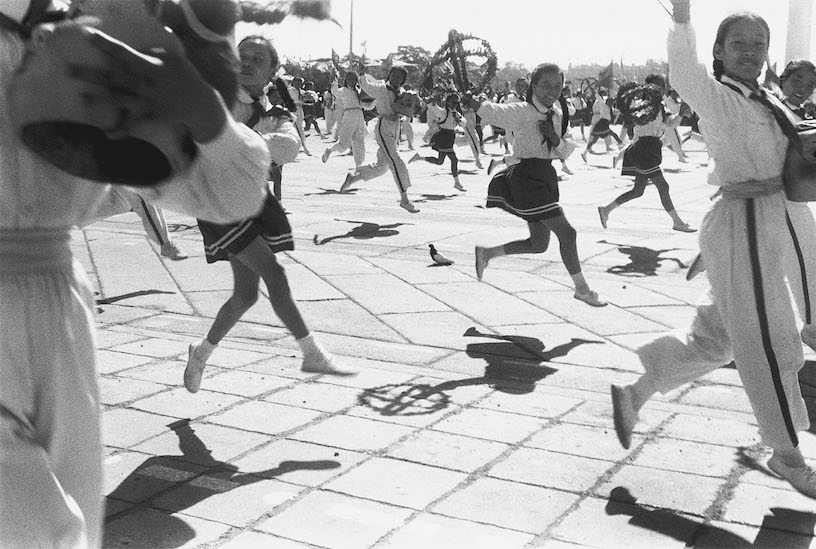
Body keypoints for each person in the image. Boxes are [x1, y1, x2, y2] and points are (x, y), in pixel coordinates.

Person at [0, 3, 272, 547]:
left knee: (74, 504)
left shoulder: (89, 31)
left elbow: (230, 193)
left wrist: (204, 115)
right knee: (38, 527)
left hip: (59, 304)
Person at [612, 0, 816, 500]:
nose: (751, 52)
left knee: (716, 339)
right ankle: (788, 455)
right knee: (772, 345)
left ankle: (634, 392)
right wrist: (682, 20)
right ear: (720, 52)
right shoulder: (718, 96)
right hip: (744, 223)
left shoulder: (765, 100)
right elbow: (684, 72)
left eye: (759, 44)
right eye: (739, 44)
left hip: (762, 224)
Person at [186, 36, 357, 395]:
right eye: (241, 56)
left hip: (247, 197)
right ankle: (311, 351)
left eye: (256, 59)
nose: (246, 63)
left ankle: (201, 352)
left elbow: (288, 145)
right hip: (218, 200)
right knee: (274, 274)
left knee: (246, 295)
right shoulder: (216, 96)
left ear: (271, 71)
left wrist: (258, 148)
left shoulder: (273, 109)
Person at [470, 63, 606, 307]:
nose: (551, 91)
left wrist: (554, 137)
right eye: (545, 85)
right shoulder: (523, 110)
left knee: (538, 244)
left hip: (546, 177)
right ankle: (582, 289)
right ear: (533, 85)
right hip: (528, 178)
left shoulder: (558, 113)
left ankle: (487, 253)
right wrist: (476, 104)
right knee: (568, 233)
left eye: (557, 85)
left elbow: (566, 150)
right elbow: (496, 112)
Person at [597, 79, 696, 233]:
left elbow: (670, 124)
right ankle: (677, 222)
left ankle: (606, 210)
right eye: (658, 87)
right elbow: (639, 120)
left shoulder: (659, 107)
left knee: (638, 191)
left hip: (650, 149)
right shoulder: (640, 107)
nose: (661, 91)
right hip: (643, 150)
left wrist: (681, 114)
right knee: (663, 186)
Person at [338, 66, 420, 213]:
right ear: (389, 75)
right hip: (384, 127)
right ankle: (404, 199)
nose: (396, 78)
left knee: (382, 167)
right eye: (394, 75)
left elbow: (407, 109)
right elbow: (367, 87)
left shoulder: (401, 92)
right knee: (396, 161)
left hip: (396, 127)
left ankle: (354, 177)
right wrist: (362, 74)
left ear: (403, 80)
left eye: (399, 77)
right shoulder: (382, 88)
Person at [409, 92, 468, 191]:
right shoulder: (444, 112)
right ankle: (457, 183)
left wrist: (459, 119)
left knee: (440, 161)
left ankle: (419, 157)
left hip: (449, 137)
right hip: (444, 137)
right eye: (453, 102)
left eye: (457, 103)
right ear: (448, 102)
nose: (455, 105)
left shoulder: (455, 113)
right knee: (454, 159)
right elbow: (434, 109)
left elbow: (463, 123)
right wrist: (432, 102)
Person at [321, 69, 372, 168]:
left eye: (353, 79)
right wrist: (335, 79)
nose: (351, 81)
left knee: (359, 142)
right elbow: (334, 91)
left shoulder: (359, 91)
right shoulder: (343, 90)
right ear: (346, 80)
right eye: (349, 79)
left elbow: (366, 105)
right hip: (349, 115)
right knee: (344, 143)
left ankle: (359, 165)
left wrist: (373, 101)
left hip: (360, 116)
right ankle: (330, 150)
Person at [581, 88, 623, 162]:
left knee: (594, 140)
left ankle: (585, 153)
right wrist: (593, 90)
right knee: (613, 134)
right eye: (610, 101)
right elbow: (598, 97)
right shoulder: (603, 105)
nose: (611, 103)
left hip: (604, 124)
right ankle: (621, 144)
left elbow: (616, 111)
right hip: (602, 124)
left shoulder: (610, 108)